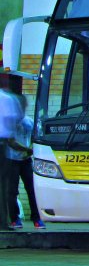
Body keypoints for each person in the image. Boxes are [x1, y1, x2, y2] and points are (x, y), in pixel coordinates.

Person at [6, 94, 45, 229]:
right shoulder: (9, 122)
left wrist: (31, 149)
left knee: (32, 189)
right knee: (12, 191)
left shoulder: (29, 122)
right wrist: (28, 149)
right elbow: (10, 142)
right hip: (12, 160)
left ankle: (37, 219)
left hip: (26, 161)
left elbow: (35, 138)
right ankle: (15, 219)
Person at [0, 89, 22, 230]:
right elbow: (13, 121)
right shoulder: (6, 99)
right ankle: (2, 222)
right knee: (3, 186)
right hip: (2, 145)